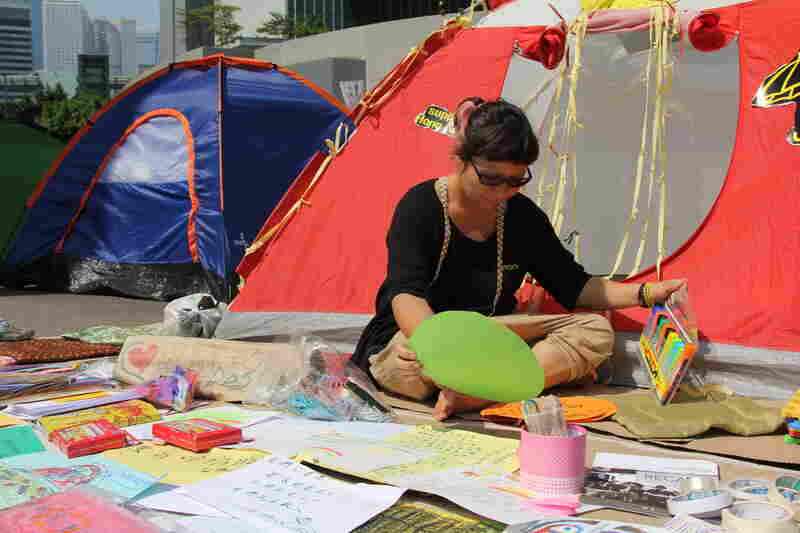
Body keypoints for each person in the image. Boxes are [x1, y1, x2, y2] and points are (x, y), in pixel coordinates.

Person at [352, 97, 685, 421]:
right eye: (490, 178)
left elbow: (574, 285)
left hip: (490, 336)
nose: (501, 191)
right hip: (424, 335)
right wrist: (438, 350)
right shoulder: (420, 205)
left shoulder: (522, 216)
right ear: (461, 159)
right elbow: (406, 294)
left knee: (596, 331)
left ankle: (475, 394)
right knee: (406, 367)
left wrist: (644, 294)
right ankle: (503, 382)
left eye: (515, 181)